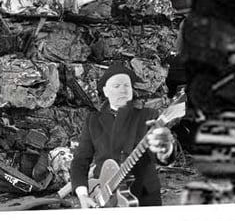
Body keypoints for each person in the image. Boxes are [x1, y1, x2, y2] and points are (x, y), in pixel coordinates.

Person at [70, 62, 175, 208]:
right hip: (104, 195)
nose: (123, 90)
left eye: (127, 85)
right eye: (117, 86)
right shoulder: (92, 120)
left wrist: (165, 147)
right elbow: (80, 161)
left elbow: (162, 159)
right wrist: (82, 194)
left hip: (144, 197)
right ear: (106, 92)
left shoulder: (149, 116)